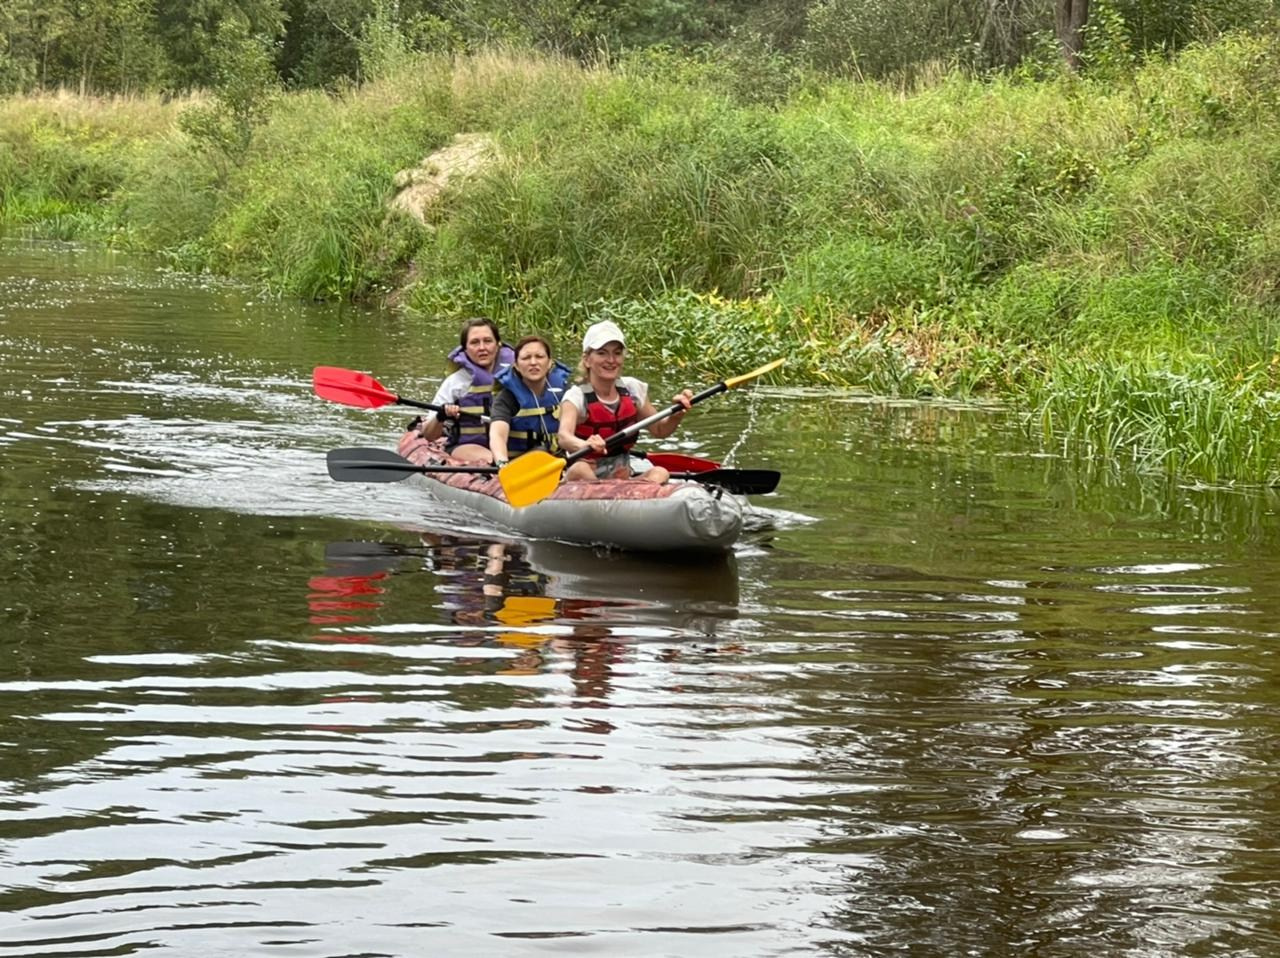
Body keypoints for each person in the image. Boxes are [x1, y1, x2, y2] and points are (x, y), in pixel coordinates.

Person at [557, 320, 693, 484]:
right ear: (587, 359)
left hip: (621, 478)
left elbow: (660, 430)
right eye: (602, 353)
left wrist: (676, 416)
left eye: (617, 353)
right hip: (585, 477)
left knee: (660, 473)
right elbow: (564, 437)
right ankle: (618, 499)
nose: (611, 360)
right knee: (580, 470)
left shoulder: (633, 389)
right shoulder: (576, 397)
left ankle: (631, 497)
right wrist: (585, 444)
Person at [417, 318, 514, 463]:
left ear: (498, 344)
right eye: (474, 342)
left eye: (488, 341)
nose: (482, 347)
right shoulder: (456, 383)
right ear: (465, 348)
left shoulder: (518, 378)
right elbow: (429, 435)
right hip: (469, 446)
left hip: (511, 446)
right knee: (493, 459)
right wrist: (441, 415)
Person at [488, 335, 573, 467]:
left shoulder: (567, 393)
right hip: (518, 465)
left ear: (550, 362)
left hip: (558, 462)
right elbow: (497, 434)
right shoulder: (507, 397)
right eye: (526, 358)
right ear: (516, 365)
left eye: (539, 356)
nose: (533, 362)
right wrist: (502, 462)